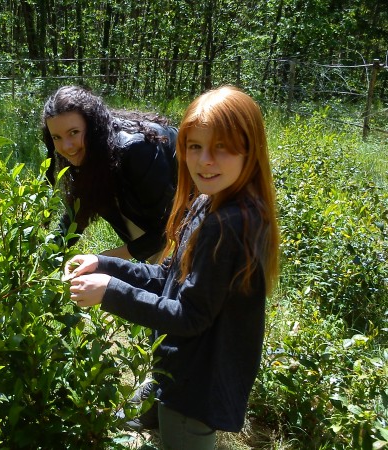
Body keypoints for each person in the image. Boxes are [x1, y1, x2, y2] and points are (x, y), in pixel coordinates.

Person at [62, 86, 280, 450]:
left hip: (197, 383)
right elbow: (169, 277)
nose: (205, 160)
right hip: (177, 368)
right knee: (119, 419)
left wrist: (109, 292)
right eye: (195, 146)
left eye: (221, 147)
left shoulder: (228, 225)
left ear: (250, 149)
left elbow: (189, 316)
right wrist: (106, 264)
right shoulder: (207, 202)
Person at [41, 85, 178, 263]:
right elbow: (76, 215)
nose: (66, 147)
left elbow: (165, 231)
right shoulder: (90, 153)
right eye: (56, 137)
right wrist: (45, 260)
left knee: (178, 274)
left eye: (74, 133)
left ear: (92, 126)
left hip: (202, 208)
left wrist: (102, 259)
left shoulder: (137, 150)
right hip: (158, 222)